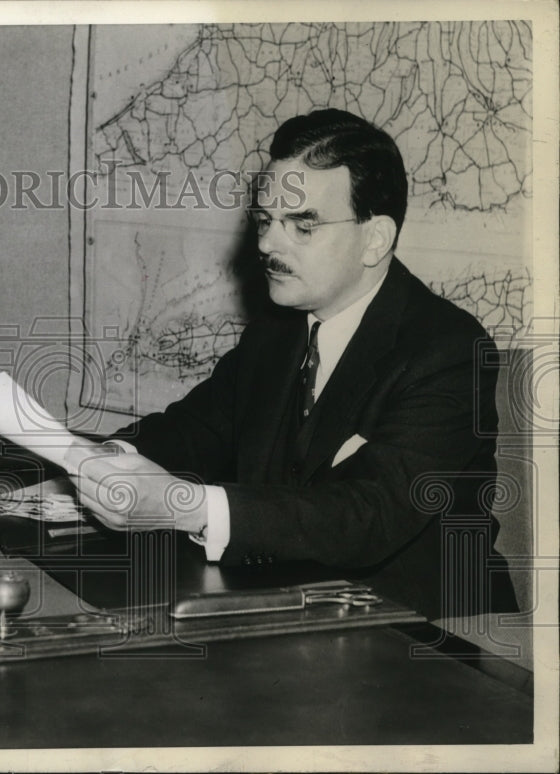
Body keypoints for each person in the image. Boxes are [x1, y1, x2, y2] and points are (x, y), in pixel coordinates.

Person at [67, 109, 518, 620]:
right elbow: (196, 430)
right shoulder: (277, 331)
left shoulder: (448, 350)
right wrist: (100, 461)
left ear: (375, 239)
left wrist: (182, 505)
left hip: (431, 633)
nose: (266, 244)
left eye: (302, 225)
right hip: (297, 609)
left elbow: (369, 514)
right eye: (264, 221)